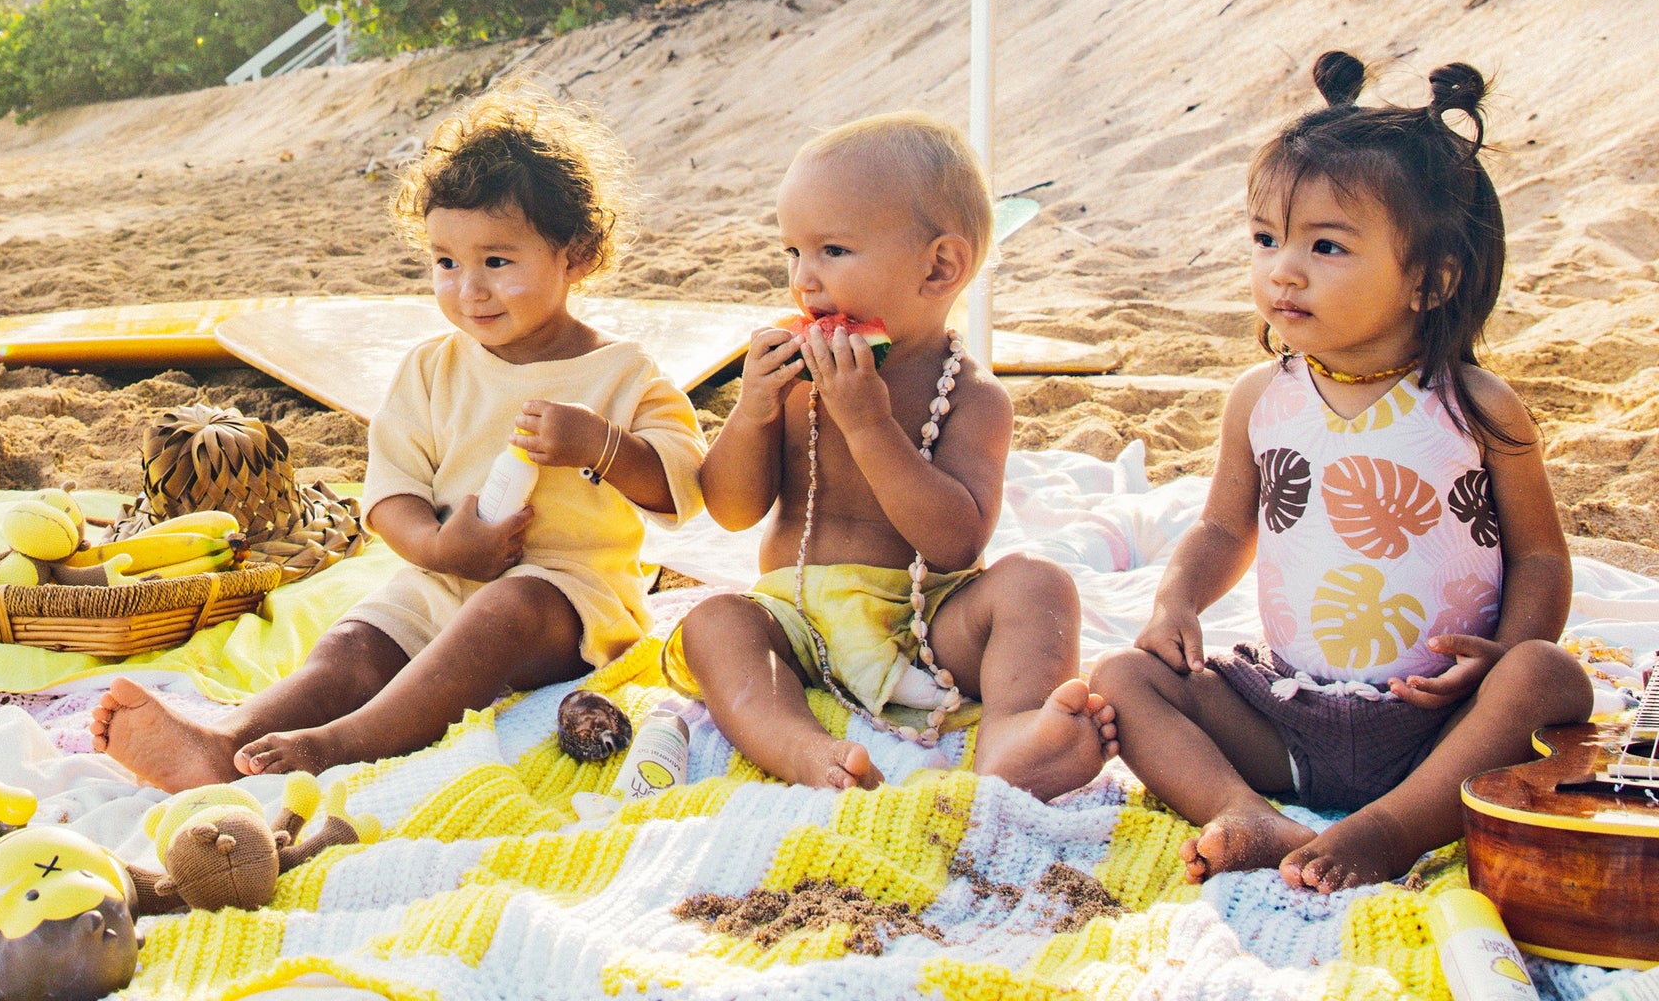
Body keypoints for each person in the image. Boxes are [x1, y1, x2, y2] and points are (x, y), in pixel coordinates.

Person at [92, 91, 705, 791]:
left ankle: (338, 745)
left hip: (569, 604)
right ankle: (223, 739)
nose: (469, 290)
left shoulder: (620, 374)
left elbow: (682, 489)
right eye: (446, 262)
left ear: (579, 255)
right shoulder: (432, 368)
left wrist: (602, 446)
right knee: (354, 644)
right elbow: (391, 495)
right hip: (446, 575)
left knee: (504, 611)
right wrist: (443, 547)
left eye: (497, 262)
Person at [1088, 52, 1594, 892]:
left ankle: (1395, 827)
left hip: (1440, 718)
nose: (1282, 269)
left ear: (1431, 280)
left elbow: (1540, 556)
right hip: (1290, 712)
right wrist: (1175, 602)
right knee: (1122, 677)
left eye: (1326, 245)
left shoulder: (1477, 405)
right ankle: (1241, 809)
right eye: (1265, 238)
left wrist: (1505, 651)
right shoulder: (1261, 399)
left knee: (1549, 678)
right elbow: (1221, 528)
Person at [667, 113, 1116, 802]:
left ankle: (1015, 735)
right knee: (714, 623)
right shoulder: (791, 377)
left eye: (833, 252)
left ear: (939, 267)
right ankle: (797, 745)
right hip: (800, 621)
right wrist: (752, 410)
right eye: (792, 252)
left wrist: (871, 425)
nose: (803, 281)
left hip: (926, 623)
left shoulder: (972, 397)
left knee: (1039, 586)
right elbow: (730, 510)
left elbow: (955, 541)